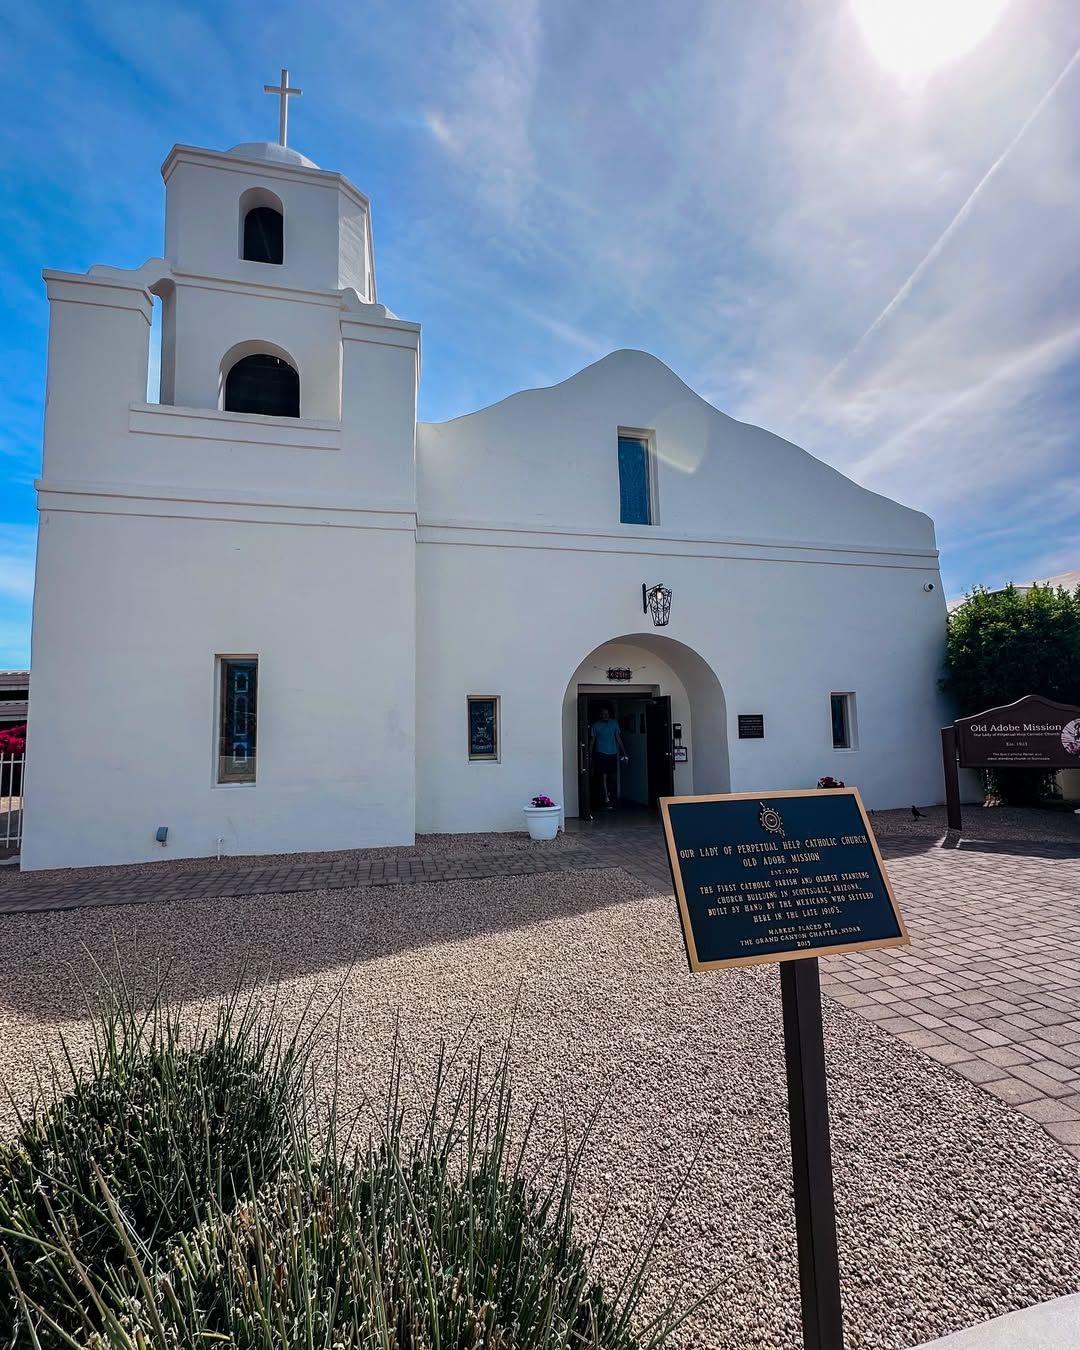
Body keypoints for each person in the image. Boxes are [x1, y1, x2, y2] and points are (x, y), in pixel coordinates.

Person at [590, 707, 628, 810]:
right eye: (603, 713)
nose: (605, 715)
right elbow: (592, 740)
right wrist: (589, 754)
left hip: (613, 753)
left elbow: (618, 738)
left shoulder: (614, 723)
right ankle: (606, 798)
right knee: (603, 777)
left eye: (607, 713)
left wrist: (624, 753)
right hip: (601, 753)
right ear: (600, 715)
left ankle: (609, 793)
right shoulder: (596, 725)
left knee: (613, 777)